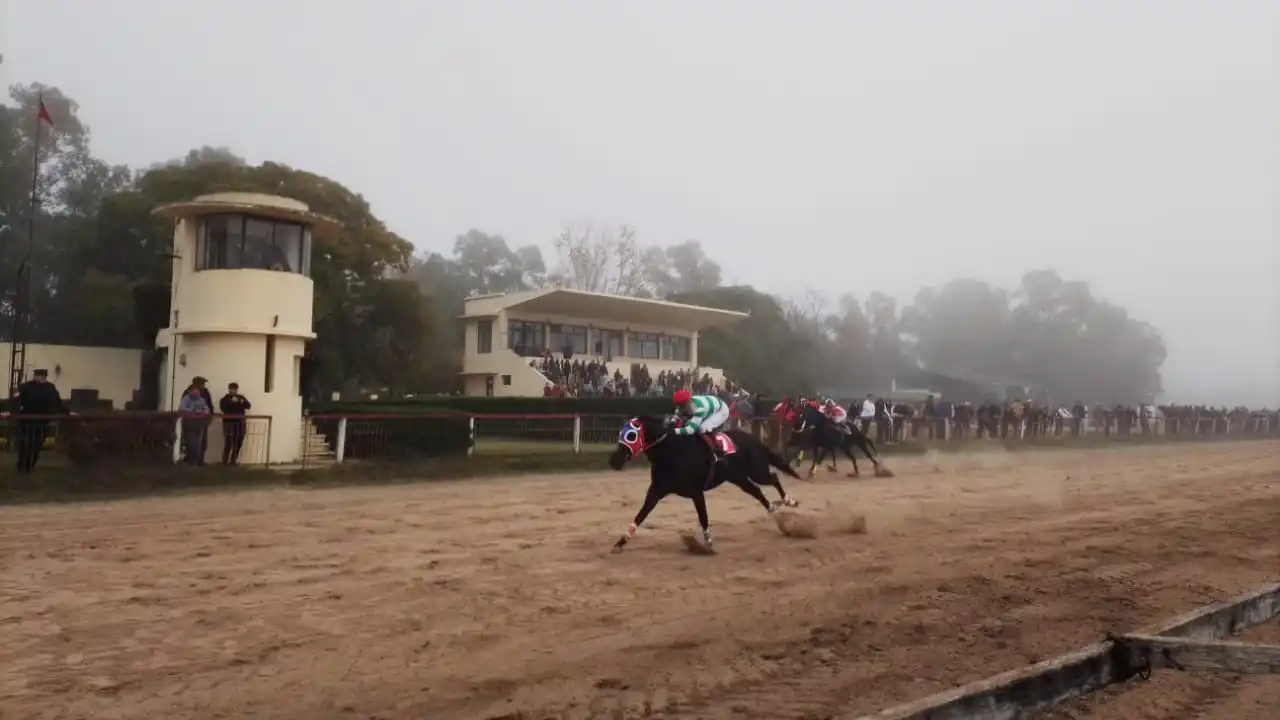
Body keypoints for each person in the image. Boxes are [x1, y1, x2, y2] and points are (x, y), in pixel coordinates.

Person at [3, 368, 73, 472]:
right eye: (37, 376)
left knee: (37, 444)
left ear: (45, 377)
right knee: (24, 443)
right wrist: (9, 410)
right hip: (26, 420)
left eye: (41, 376)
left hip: (42, 421)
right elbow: (15, 400)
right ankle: (21, 465)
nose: (38, 378)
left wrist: (68, 412)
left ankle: (31, 464)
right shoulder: (26, 387)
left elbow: (57, 402)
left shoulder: (50, 388)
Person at [671, 389, 732, 460]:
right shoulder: (685, 404)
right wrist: (672, 421)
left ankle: (716, 451)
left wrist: (675, 431)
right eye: (678, 406)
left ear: (686, 402)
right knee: (687, 422)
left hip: (721, 411)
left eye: (681, 406)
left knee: (701, 428)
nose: (679, 408)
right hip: (713, 405)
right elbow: (677, 414)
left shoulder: (699, 409)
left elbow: (691, 430)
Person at [218, 382, 252, 465]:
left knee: (239, 442)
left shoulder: (241, 397)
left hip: (240, 423)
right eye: (232, 389)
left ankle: (233, 460)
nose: (233, 391)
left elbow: (248, 405)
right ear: (229, 389)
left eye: (235, 389)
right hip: (229, 423)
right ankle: (225, 461)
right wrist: (231, 402)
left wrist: (241, 401)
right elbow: (223, 408)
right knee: (229, 442)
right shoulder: (225, 399)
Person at [179, 382, 211, 466]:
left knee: (198, 443)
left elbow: (206, 408)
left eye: (198, 391)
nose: (197, 393)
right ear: (190, 391)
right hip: (189, 423)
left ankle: (195, 461)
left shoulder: (201, 399)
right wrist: (193, 411)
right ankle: (189, 460)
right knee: (190, 442)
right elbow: (182, 408)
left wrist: (205, 411)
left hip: (199, 424)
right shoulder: (186, 399)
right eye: (195, 391)